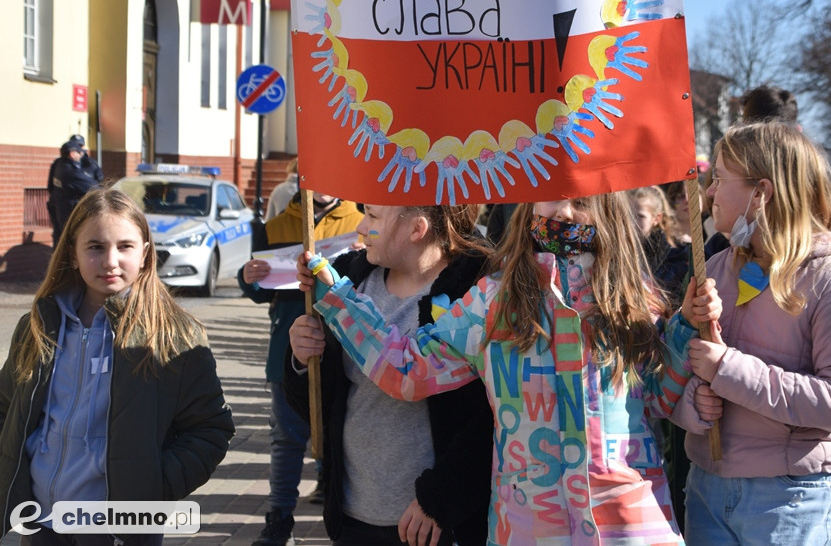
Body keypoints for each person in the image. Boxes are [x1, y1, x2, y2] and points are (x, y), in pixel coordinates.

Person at [291, 193, 722, 544]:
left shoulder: (633, 300)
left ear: (608, 213)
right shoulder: (493, 301)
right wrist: (338, 297)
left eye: (583, 202)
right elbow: (407, 370)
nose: (566, 211)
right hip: (529, 529)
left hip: (630, 527)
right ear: (529, 206)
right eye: (553, 197)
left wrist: (685, 326)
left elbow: (661, 398)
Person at [669, 122, 831, 544]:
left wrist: (727, 369)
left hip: (789, 496)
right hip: (707, 485)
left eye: (720, 180)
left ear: (761, 192)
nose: (708, 192)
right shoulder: (717, 268)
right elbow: (674, 377)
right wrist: (691, 404)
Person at [0, 188, 235, 543]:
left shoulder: (172, 337)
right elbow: (6, 407)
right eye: (95, 247)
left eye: (124, 246)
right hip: (42, 525)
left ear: (145, 254)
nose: (110, 261)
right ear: (73, 254)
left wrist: (152, 486)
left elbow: (210, 429)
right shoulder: (37, 327)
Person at [284, 204, 495, 546]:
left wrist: (441, 498)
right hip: (355, 513)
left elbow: (489, 419)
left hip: (434, 523)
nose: (361, 228)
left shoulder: (479, 289)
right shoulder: (346, 276)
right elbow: (315, 401)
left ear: (417, 229)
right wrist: (301, 356)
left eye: (373, 217)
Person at [238, 190, 363, 546]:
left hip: (343, 348)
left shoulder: (360, 222)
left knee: (337, 429)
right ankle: (279, 518)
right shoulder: (276, 226)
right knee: (286, 437)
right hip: (288, 348)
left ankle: (335, 503)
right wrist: (248, 277)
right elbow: (263, 290)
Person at [630, 185, 691, 304]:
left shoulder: (674, 258)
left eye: (640, 216)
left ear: (656, 218)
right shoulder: (616, 249)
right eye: (627, 214)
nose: (632, 222)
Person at [50, 141, 101, 242]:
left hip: (62, 213)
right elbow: (94, 188)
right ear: (72, 154)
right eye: (79, 152)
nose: (81, 155)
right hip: (71, 214)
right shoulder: (71, 172)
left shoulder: (59, 165)